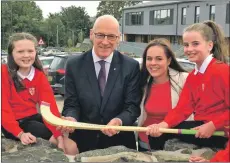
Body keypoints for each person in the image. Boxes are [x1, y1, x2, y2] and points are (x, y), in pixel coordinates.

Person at [59, 15, 141, 152]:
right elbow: (71, 104)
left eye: (111, 36)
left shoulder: (131, 66)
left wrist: (119, 121)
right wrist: (71, 118)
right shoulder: (74, 65)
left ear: (118, 38)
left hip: (120, 145)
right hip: (83, 144)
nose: (105, 41)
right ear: (91, 34)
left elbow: (132, 107)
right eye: (100, 35)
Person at [146, 20, 229, 150]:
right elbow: (183, 108)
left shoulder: (222, 71)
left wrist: (213, 125)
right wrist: (164, 124)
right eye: (186, 45)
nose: (189, 49)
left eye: (195, 44)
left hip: (220, 132)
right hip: (202, 127)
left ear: (210, 45)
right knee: (156, 134)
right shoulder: (193, 75)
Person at [1, 32, 78, 156]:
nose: (26, 55)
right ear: (11, 53)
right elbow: (3, 110)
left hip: (32, 117)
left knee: (68, 141)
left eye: (30, 51)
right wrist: (20, 134)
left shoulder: (39, 75)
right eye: (20, 52)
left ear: (36, 52)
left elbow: (50, 109)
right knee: (53, 139)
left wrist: (59, 137)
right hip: (13, 122)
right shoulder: (3, 73)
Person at [137, 38, 194, 151]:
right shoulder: (142, 82)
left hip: (175, 145)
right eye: (149, 59)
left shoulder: (184, 79)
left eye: (159, 59)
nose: (153, 63)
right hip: (145, 143)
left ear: (168, 61)